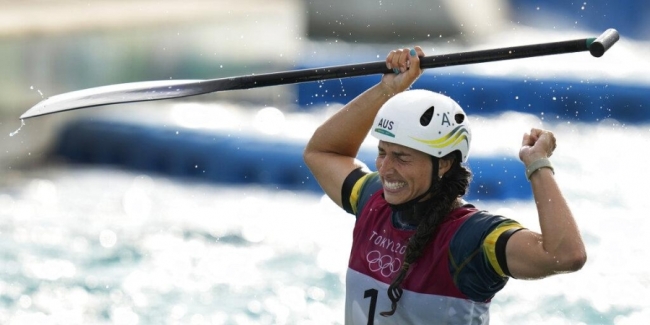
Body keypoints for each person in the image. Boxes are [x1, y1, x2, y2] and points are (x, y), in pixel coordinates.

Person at [303, 46, 587, 324]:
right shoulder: (372, 199)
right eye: (382, 152)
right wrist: (387, 90)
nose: (385, 168)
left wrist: (537, 163)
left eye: (401, 157)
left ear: (444, 164)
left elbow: (565, 255)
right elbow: (322, 152)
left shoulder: (474, 239)